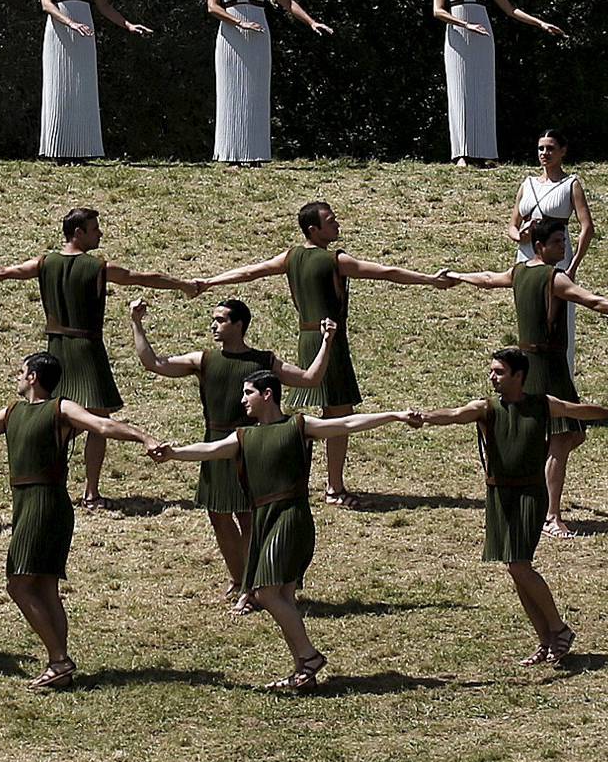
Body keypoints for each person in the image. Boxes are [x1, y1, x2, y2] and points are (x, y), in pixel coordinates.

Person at [147, 373, 416, 691]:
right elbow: (210, 449)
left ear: (268, 394)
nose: (243, 400)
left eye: (248, 393)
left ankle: (310, 657)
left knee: (265, 593)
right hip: (264, 519)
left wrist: (394, 415)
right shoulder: (243, 436)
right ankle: (303, 671)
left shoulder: (298, 426)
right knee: (284, 595)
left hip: (290, 516)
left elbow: (346, 424)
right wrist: (174, 453)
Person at [0, 352, 158, 690]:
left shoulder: (61, 408)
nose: (16, 376)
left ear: (33, 376)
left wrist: (143, 436)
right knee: (45, 586)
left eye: (21, 371)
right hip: (26, 502)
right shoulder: (12, 412)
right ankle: (59, 665)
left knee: (18, 584)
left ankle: (59, 661)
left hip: (46, 502)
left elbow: (102, 425)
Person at [0, 208, 196, 511]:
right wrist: (183, 284)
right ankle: (91, 492)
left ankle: (51, 478)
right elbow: (141, 278)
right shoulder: (97, 266)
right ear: (78, 233)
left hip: (55, 349)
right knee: (98, 419)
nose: (100, 233)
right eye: (94, 229)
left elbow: (1, 272)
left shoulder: (44, 263)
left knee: (55, 417)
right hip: (87, 350)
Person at [195, 201, 449, 506]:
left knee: (329, 412)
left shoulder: (291, 257)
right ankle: (334, 487)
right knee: (339, 413)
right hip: (330, 338)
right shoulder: (335, 260)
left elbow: (251, 271)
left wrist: (210, 281)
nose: (337, 224)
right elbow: (387, 272)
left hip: (307, 337)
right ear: (313, 229)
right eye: (330, 221)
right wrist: (430, 279)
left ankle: (319, 482)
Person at [408, 347, 608, 667]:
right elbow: (454, 415)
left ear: (518, 376)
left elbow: (580, 411)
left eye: (499, 372)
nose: (492, 377)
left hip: (530, 496)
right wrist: (424, 418)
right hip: (499, 498)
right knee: (515, 570)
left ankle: (559, 630)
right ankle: (547, 640)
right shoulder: (486, 408)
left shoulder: (542, 405)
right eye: (492, 371)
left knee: (518, 566)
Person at [128, 295, 336, 610]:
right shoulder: (205, 359)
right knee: (218, 515)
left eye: (221, 319)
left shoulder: (263, 362)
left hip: (249, 446)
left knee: (249, 518)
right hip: (215, 444)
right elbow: (154, 363)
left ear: (239, 325)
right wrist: (137, 323)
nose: (215, 324)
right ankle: (239, 580)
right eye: (214, 319)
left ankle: (252, 586)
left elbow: (310, 379)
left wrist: (327, 341)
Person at [442, 218, 608, 540]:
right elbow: (594, 302)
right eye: (558, 242)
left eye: (564, 241)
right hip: (547, 367)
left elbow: (489, 278)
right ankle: (550, 516)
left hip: (533, 363)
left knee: (569, 436)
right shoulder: (553, 278)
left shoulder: (520, 272)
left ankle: (530, 498)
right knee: (561, 439)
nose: (563, 247)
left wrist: (459, 275)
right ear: (540, 246)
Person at [432, 0, 562, 165]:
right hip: (458, 38)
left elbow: (509, 8)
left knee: (483, 91)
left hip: (483, 38)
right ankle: (461, 154)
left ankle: (488, 153)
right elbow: (438, 10)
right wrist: (465, 24)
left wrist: (540, 23)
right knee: (459, 92)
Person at [207, 0, 333, 165]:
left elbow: (286, 2)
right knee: (229, 92)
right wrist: (238, 23)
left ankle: (255, 154)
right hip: (230, 37)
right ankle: (229, 154)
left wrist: (311, 22)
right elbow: (212, 6)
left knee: (256, 93)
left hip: (258, 35)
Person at [38, 0, 151, 161]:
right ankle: (57, 149)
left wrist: (128, 25)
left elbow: (103, 4)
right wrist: (69, 22)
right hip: (59, 32)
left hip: (84, 31)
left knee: (82, 87)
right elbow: (46, 3)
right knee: (58, 88)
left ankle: (82, 149)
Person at [507, 126, 593, 376]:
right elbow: (512, 224)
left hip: (557, 254)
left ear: (563, 151)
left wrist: (573, 266)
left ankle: (561, 381)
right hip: (526, 254)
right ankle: (527, 378)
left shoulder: (571, 184)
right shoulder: (528, 183)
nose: (544, 153)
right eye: (541, 148)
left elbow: (586, 227)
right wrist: (519, 236)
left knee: (557, 317)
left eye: (550, 148)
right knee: (529, 312)